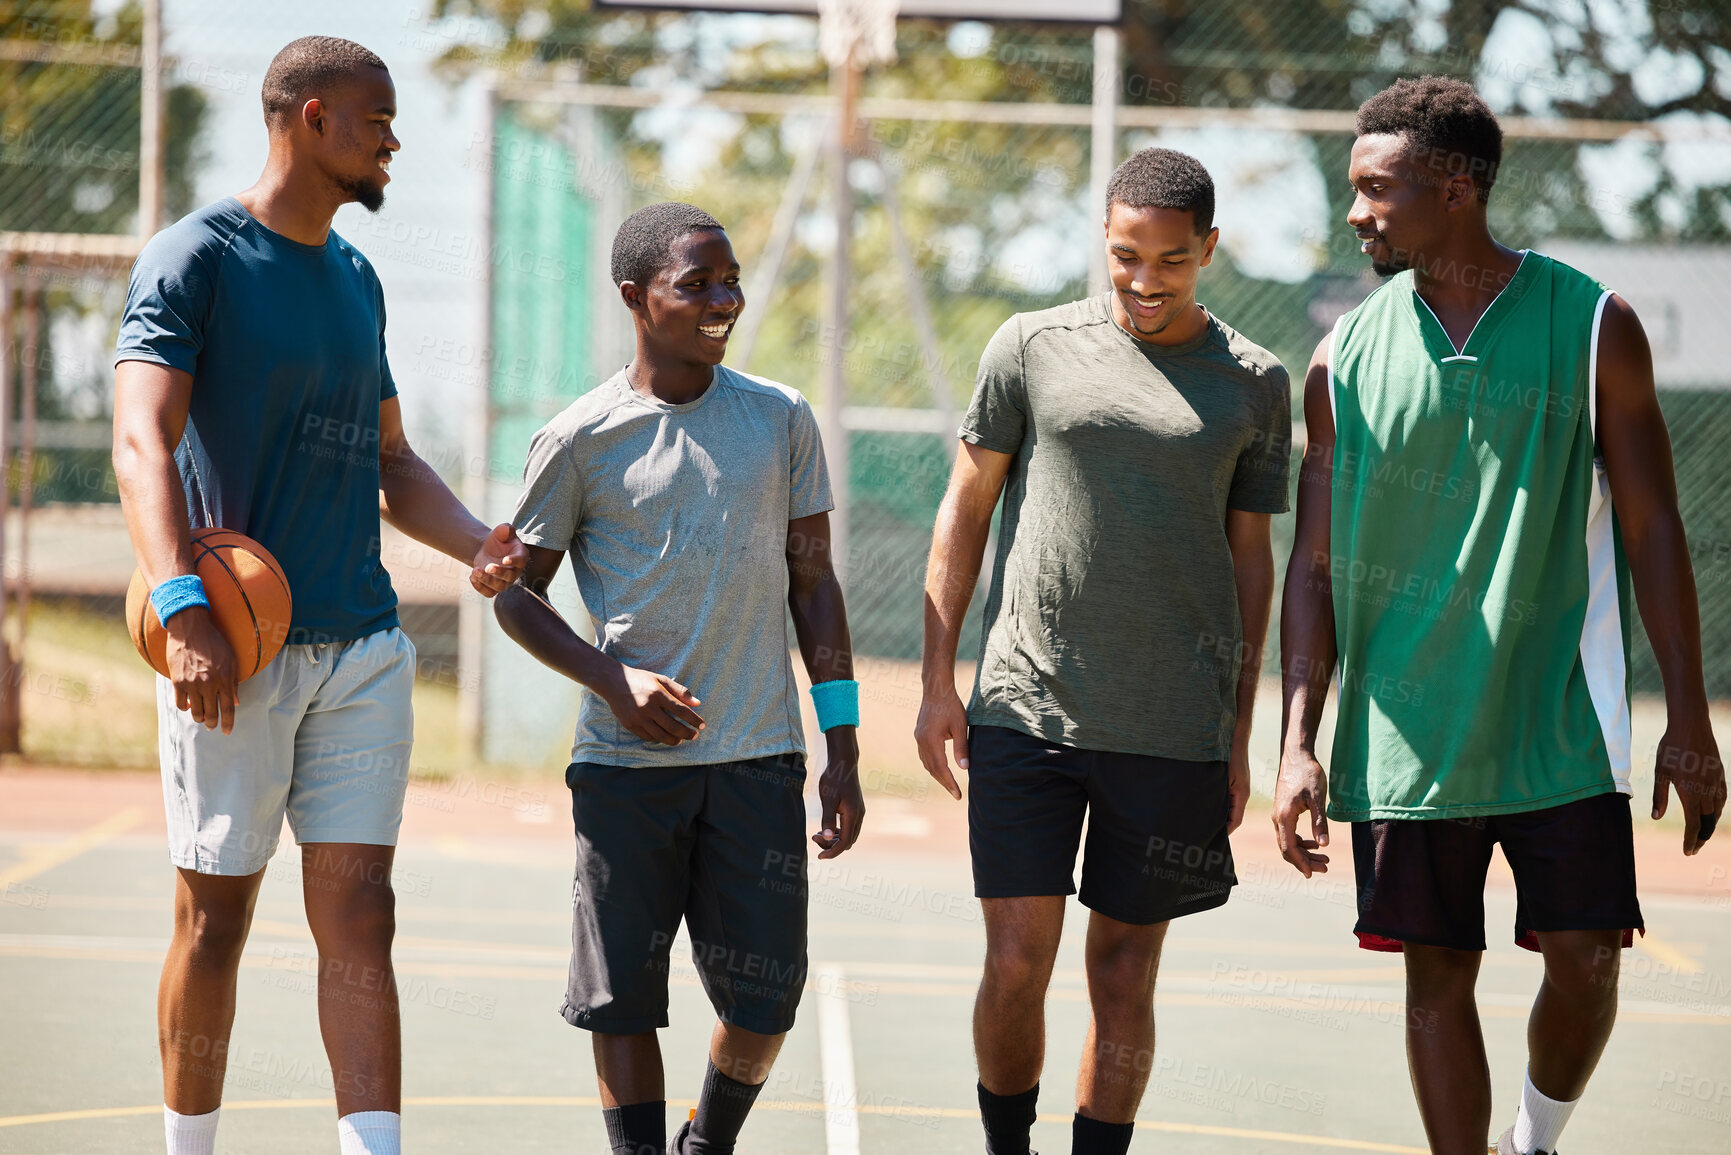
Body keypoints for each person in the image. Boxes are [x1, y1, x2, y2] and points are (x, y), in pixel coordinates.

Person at [1273, 76, 1726, 1155]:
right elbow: (1314, 565)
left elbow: (1655, 528)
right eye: (1353, 190)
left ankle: (1534, 1137)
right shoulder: (1342, 359)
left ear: (1459, 187)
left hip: (1558, 722)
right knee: (1439, 978)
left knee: (1587, 962)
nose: (1355, 213)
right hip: (1402, 729)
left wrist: (1693, 717)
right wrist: (1294, 739)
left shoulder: (1592, 326)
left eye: (1378, 189)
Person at [111, 36, 527, 1155]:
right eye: (376, 118)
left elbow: (393, 463)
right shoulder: (193, 258)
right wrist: (184, 604)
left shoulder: (355, 276)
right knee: (217, 919)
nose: (393, 138)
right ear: (309, 119)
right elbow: (141, 441)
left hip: (362, 645)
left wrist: (477, 539)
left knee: (362, 916)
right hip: (236, 649)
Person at [915, 148, 1292, 1155]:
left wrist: (1239, 733)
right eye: (1125, 256)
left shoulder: (1257, 383)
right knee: (1016, 960)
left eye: (1170, 260)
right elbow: (966, 506)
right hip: (1023, 713)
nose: (1143, 281)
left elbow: (1252, 562)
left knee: (1125, 973)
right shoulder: (1029, 345)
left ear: (1208, 249)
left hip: (1172, 730)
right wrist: (935, 681)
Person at [492, 200, 865, 1155]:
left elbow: (813, 584)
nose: (721, 300)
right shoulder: (581, 438)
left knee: (767, 996)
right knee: (622, 1003)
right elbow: (517, 599)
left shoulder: (780, 418)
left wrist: (842, 743)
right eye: (694, 284)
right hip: (623, 770)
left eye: (728, 280)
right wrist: (615, 682)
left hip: (758, 760)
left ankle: (709, 1142)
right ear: (634, 297)